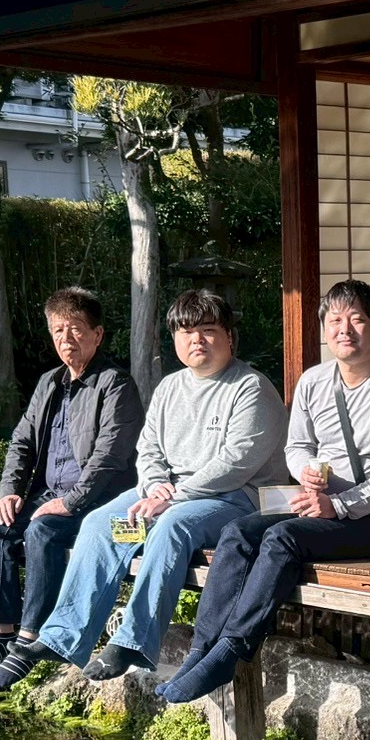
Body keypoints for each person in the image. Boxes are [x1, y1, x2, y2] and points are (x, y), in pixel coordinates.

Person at [157, 281, 370, 703]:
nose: (345, 330)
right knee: (240, 532)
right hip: (317, 503)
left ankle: (233, 649)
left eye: (357, 320)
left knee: (282, 539)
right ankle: (202, 648)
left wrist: (339, 503)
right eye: (335, 320)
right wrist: (309, 474)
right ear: (324, 330)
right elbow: (297, 445)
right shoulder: (313, 381)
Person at [25, 289, 285, 686]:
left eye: (208, 330)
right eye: (186, 331)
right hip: (166, 494)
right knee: (100, 524)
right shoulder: (169, 387)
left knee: (172, 526)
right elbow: (148, 448)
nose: (196, 340)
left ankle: (132, 641)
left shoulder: (251, 388)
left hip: (235, 498)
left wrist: (172, 498)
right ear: (176, 339)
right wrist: (156, 486)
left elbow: (236, 464)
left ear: (229, 336)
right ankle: (65, 635)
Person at [0, 287, 143, 686]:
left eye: (76, 329)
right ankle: (0, 631)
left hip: (102, 503)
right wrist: (10, 490)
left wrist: (71, 501)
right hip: (49, 493)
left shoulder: (116, 385)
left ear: (97, 334)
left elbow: (110, 458)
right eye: (59, 330)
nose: (66, 339)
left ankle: (31, 636)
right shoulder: (49, 383)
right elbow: (21, 441)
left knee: (43, 530)